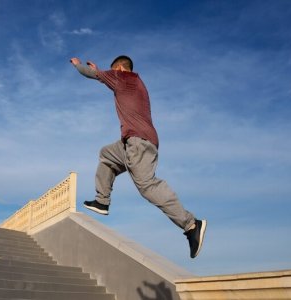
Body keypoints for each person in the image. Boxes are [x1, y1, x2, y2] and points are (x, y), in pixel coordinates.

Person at [70, 55, 207, 258]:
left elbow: (90, 74)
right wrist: (100, 71)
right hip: (132, 142)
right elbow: (101, 76)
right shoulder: (134, 82)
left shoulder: (124, 77)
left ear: (119, 68)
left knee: (147, 185)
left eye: (113, 71)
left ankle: (191, 224)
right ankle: (102, 201)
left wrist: (78, 65)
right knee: (107, 154)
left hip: (139, 142)